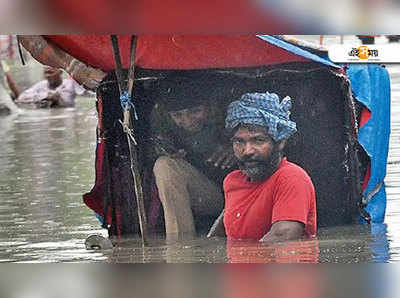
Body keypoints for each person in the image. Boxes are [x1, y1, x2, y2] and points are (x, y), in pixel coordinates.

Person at [221, 91, 317, 242]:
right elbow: (224, 239)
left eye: (258, 140)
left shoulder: (291, 178)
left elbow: (282, 238)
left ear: (280, 142)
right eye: (239, 142)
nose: (247, 151)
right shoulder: (231, 181)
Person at [151, 77, 234, 241]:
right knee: (164, 166)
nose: (187, 121)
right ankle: (181, 249)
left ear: (210, 107)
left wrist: (237, 148)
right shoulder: (164, 131)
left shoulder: (232, 119)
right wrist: (163, 151)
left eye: (195, 111)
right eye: (178, 115)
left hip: (240, 196)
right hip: (205, 197)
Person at [15, 66, 85, 108]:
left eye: (51, 72)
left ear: (60, 72)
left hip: (67, 114)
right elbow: (21, 98)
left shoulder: (71, 84)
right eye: (46, 73)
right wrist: (45, 96)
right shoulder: (41, 85)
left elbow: (89, 94)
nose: (48, 76)